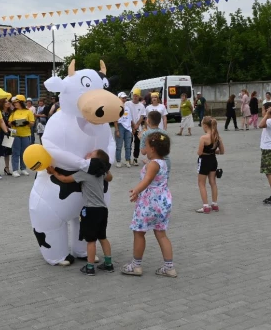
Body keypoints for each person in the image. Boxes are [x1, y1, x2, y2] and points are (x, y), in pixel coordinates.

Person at [46, 149, 114, 276]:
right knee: (103, 237)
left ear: (93, 161)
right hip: (102, 210)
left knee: (91, 240)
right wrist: (105, 168)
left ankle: (90, 266)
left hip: (91, 210)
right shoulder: (101, 173)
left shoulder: (85, 173)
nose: (87, 154)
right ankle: (109, 264)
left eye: (91, 155)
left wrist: (53, 172)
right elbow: (110, 177)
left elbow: (65, 179)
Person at [121, 132, 176, 278]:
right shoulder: (162, 162)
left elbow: (147, 179)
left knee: (139, 232)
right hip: (163, 202)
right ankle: (169, 267)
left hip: (149, 203)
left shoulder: (153, 165)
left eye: (146, 145)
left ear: (152, 149)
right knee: (161, 234)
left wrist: (136, 190)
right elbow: (154, 172)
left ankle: (136, 265)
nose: (144, 147)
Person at [195, 117, 225, 214]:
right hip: (213, 160)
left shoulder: (203, 138)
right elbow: (222, 152)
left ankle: (205, 206)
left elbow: (199, 152)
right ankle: (215, 204)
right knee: (213, 182)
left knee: (201, 183)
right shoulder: (217, 137)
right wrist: (213, 150)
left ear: (205, 126)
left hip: (204, 160)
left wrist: (204, 151)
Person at [8, 95, 35, 177]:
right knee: (15, 152)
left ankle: (23, 169)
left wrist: (27, 123)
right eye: (14, 103)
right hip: (15, 134)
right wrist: (12, 123)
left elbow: (32, 123)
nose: (15, 104)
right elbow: (9, 122)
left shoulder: (28, 112)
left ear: (21, 102)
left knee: (24, 152)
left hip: (25, 134)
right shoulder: (13, 112)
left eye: (16, 102)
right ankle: (15, 170)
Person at [124, 90, 146, 166]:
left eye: (137, 95)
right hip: (129, 127)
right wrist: (133, 126)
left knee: (137, 143)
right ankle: (128, 158)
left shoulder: (141, 106)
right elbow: (127, 115)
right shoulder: (127, 104)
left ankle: (135, 158)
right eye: (134, 95)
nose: (135, 97)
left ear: (139, 96)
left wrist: (136, 126)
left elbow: (142, 116)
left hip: (138, 127)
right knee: (128, 143)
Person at [114, 92, 133, 168]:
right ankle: (118, 161)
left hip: (128, 128)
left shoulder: (127, 107)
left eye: (125, 98)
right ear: (119, 98)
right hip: (120, 126)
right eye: (123, 98)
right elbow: (115, 119)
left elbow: (130, 118)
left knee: (128, 146)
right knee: (119, 146)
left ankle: (127, 160)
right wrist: (117, 130)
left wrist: (132, 128)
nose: (124, 99)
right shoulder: (116, 107)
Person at [0, 99, 14, 175]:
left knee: (7, 151)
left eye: (8, 102)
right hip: (0, 133)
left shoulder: (11, 112)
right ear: (2, 103)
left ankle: (7, 168)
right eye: (6, 102)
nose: (8, 103)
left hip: (9, 133)